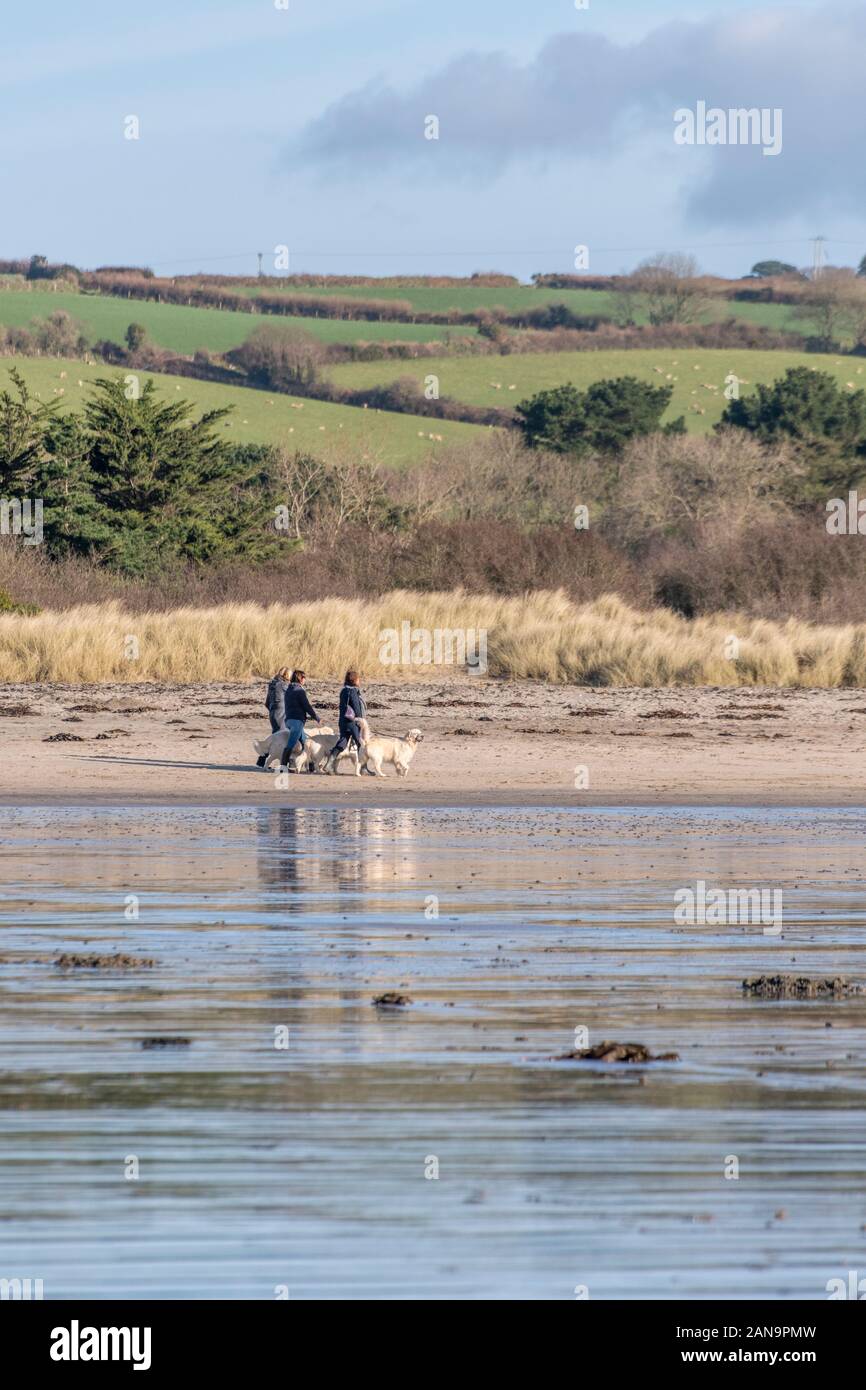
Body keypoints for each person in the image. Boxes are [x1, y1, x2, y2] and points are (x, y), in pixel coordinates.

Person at [322, 671, 366, 774]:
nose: (360, 681)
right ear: (354, 680)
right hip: (353, 722)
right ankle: (363, 768)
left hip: (343, 721)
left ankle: (329, 765)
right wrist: (361, 720)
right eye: (358, 679)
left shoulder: (343, 691)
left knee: (342, 742)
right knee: (361, 743)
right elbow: (356, 708)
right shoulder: (353, 692)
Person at [279, 670, 322, 771]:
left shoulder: (289, 689)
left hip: (289, 720)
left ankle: (311, 765)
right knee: (290, 744)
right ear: (300, 678)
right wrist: (317, 717)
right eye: (304, 678)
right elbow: (306, 706)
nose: (305, 680)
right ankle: (283, 766)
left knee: (305, 742)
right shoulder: (299, 691)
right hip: (297, 721)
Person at [265, 667, 291, 733]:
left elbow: (267, 703)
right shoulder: (284, 685)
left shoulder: (272, 685)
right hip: (281, 715)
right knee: (283, 737)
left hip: (272, 715)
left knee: (276, 737)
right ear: (287, 675)